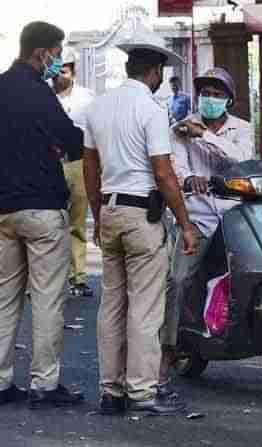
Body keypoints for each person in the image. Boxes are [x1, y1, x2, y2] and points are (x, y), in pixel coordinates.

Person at [83, 41, 196, 416]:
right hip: (142, 216)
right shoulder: (151, 110)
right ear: (153, 73)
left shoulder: (97, 106)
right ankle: (143, 392)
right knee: (146, 307)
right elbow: (163, 173)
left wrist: (98, 215)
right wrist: (184, 222)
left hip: (111, 212)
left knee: (112, 305)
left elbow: (89, 167)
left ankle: (110, 390)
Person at [0, 21, 86, 409]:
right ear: (42, 53)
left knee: (4, 298)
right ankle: (44, 384)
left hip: (3, 210)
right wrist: (54, 148)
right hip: (43, 209)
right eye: (57, 53)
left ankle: (1, 383)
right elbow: (73, 142)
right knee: (48, 299)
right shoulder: (41, 94)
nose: (58, 61)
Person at [158, 67, 254, 392]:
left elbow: (242, 162)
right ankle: (168, 347)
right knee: (178, 278)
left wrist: (205, 136)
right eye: (205, 94)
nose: (210, 99)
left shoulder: (242, 129)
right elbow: (178, 169)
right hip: (197, 216)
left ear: (228, 99)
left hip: (234, 215)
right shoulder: (179, 128)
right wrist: (188, 180)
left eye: (217, 94)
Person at [53, 46, 96, 297]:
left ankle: (78, 277)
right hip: (49, 167)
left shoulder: (87, 98)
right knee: (50, 224)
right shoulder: (44, 96)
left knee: (77, 224)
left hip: (78, 165)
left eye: (65, 71)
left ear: (74, 71)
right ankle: (45, 278)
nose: (60, 76)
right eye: (56, 71)